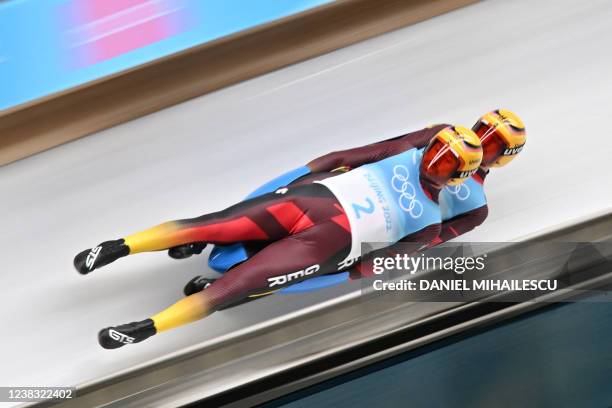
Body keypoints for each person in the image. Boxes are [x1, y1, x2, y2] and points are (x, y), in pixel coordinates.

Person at [73, 126, 483, 349]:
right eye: (436, 152)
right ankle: (120, 247)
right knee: (215, 225)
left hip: (328, 241)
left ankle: (146, 326)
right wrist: (301, 176)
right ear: (429, 146)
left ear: (458, 177)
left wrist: (335, 277)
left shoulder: (431, 220)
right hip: (319, 203)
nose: (434, 162)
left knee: (238, 284)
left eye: (445, 164)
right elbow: (350, 156)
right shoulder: (406, 153)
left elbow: (380, 263)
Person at [189, 109, 526, 295]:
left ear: (502, 158)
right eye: (484, 131)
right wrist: (335, 162)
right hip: (356, 188)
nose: (483, 142)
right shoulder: (444, 132)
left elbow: (427, 242)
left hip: (379, 228)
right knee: (296, 193)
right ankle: (208, 233)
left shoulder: (476, 208)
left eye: (494, 144)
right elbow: (386, 148)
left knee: (321, 254)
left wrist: (368, 267)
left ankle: (226, 285)